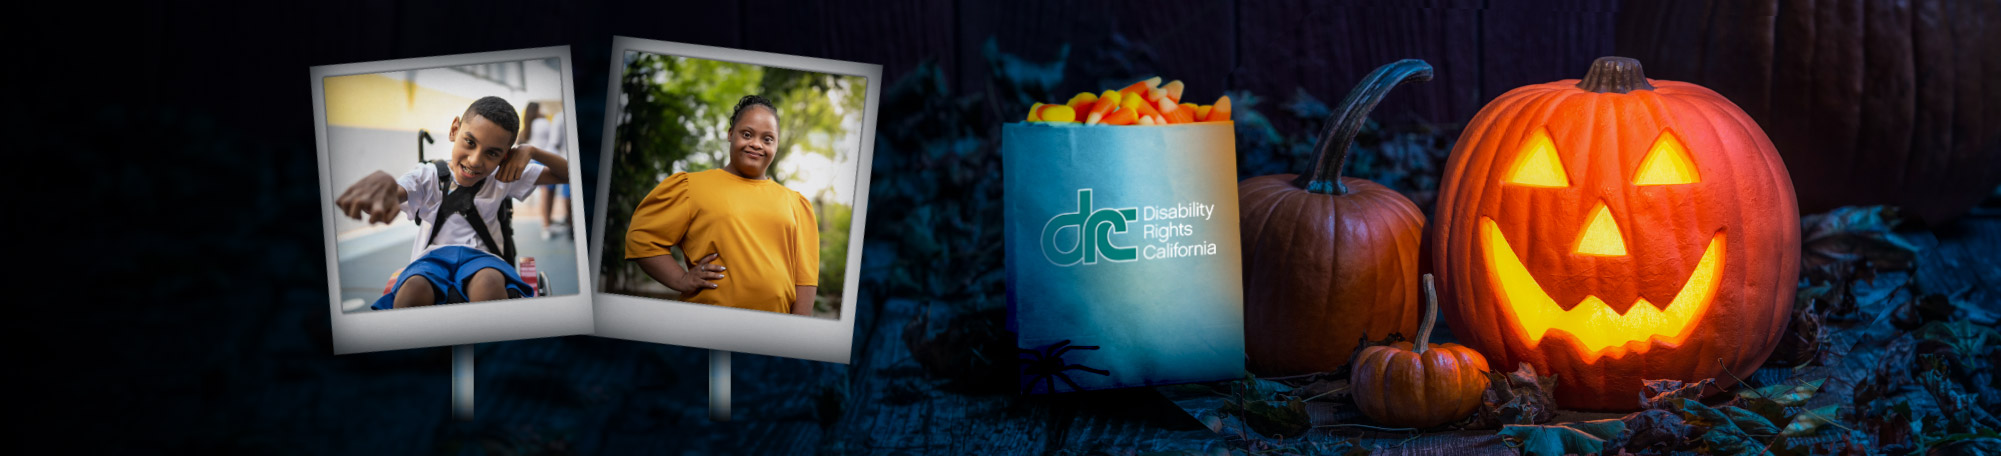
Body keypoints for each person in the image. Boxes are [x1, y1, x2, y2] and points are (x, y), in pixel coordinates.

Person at [335, 96, 570, 310]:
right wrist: (386, 187)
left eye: (492, 154)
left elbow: (570, 174)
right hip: (431, 259)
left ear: (505, 157)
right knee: (413, 289)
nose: (475, 160)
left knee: (489, 284)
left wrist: (533, 151)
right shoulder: (427, 176)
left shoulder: (503, 176)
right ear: (454, 130)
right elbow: (399, 189)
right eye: (469, 142)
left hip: (484, 260)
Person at [625, 95, 820, 316]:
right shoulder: (692, 187)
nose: (756, 144)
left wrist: (796, 335)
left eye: (768, 139)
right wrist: (681, 279)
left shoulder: (795, 203)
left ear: (776, 145)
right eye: (747, 134)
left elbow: (805, 279)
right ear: (730, 134)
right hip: (707, 322)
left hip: (773, 331)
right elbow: (642, 239)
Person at [518, 102, 572, 240]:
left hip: (534, 160)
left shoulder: (527, 126)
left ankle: (547, 224)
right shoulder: (544, 122)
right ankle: (552, 225)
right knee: (551, 193)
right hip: (546, 160)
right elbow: (553, 143)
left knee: (545, 193)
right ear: (536, 110)